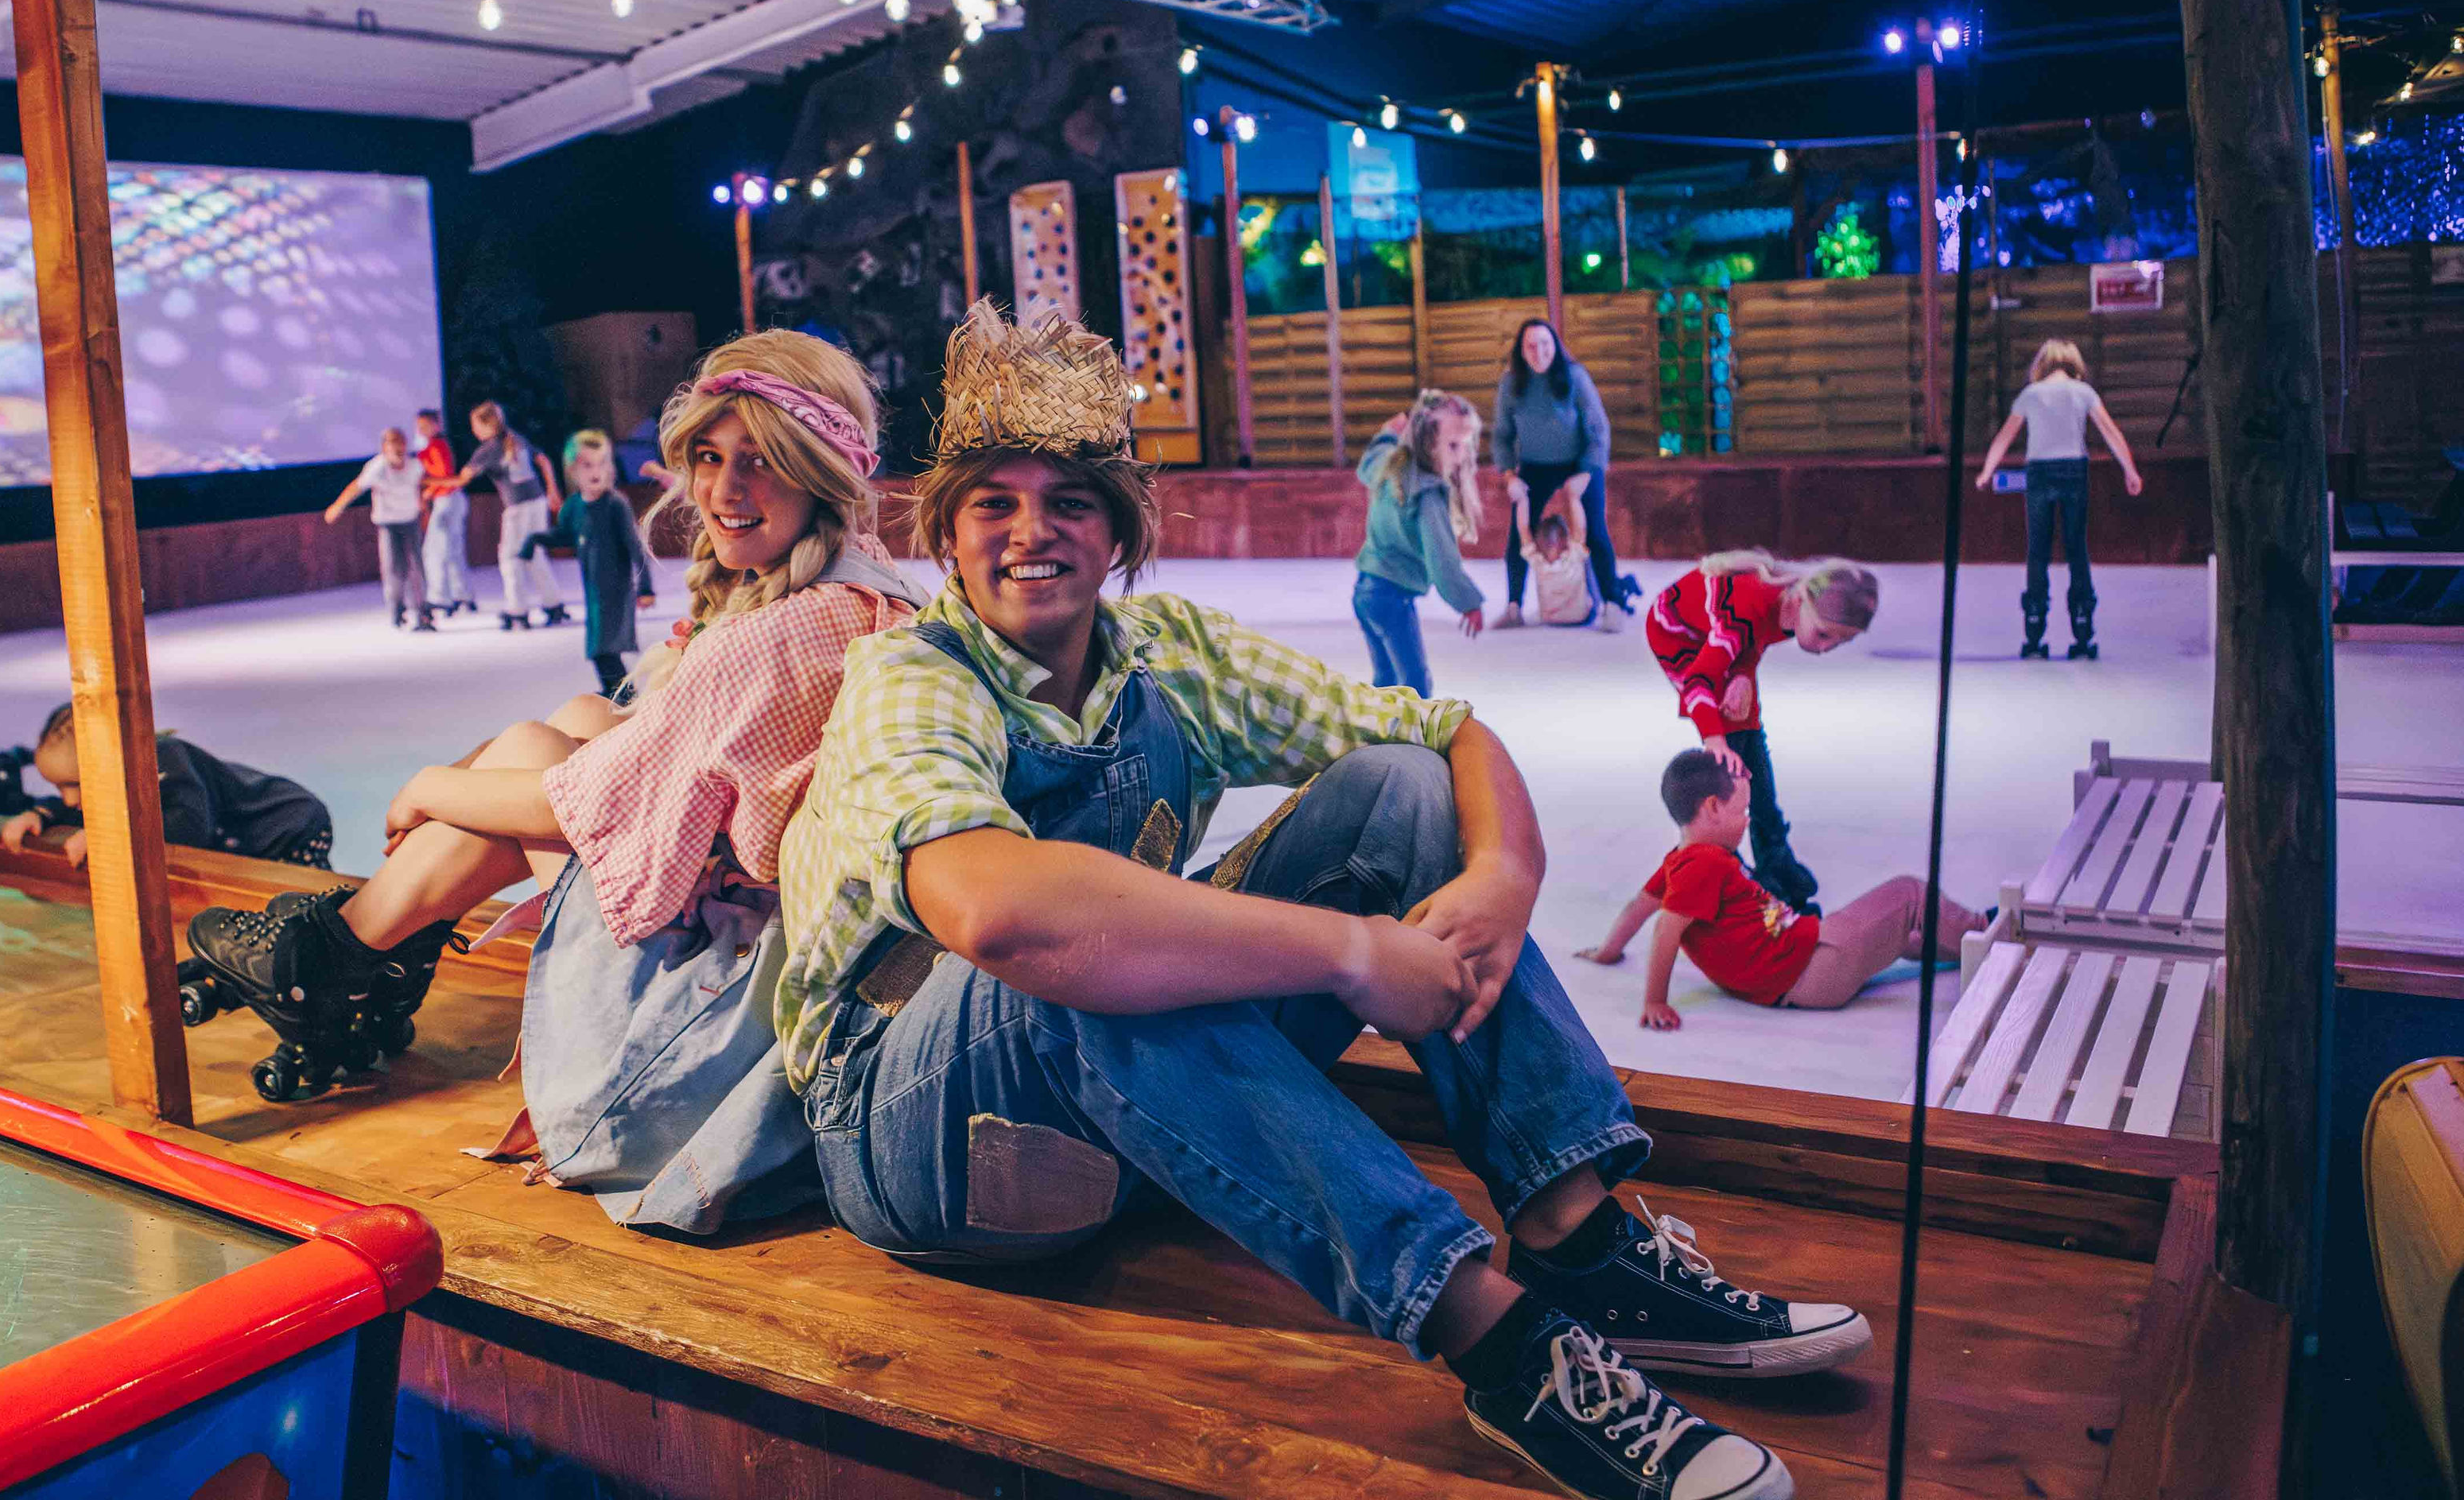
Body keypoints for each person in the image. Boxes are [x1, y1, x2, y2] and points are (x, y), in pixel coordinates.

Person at [779, 304, 1860, 1500]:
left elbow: (1445, 733)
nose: (1034, 531)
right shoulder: (910, 679)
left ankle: (1578, 1237)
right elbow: (999, 913)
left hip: (1115, 1106)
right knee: (1074, 954)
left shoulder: (1163, 653)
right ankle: (1503, 1344)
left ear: (1118, 526)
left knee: (1399, 790)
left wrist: (1503, 879)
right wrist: (1350, 951)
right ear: (946, 531)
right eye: (995, 503)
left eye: (1070, 501)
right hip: (925, 1145)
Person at [182, 332, 926, 1234]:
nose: (726, 489)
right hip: (771, 954)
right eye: (710, 456)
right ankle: (366, 951)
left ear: (820, 469)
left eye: (762, 460)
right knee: (579, 714)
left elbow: (567, 807)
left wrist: (427, 784)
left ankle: (333, 958)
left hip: (719, 1028)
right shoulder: (865, 587)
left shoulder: (776, 636)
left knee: (537, 752)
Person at [1577, 750, 1985, 1025]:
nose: (1748, 820)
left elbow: (1638, 908)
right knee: (1910, 895)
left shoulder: (1679, 862)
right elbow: (1665, 929)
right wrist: (1655, 1000)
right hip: (1811, 970)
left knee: (1912, 937)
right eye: (1743, 810)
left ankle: (1970, 946)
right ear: (1713, 808)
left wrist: (1609, 951)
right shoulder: (1702, 865)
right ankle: (1987, 932)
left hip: (1800, 967)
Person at [1643, 549, 1880, 918]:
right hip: (1678, 634)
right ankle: (1723, 865)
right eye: (1823, 635)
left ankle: (1773, 855)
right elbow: (1699, 680)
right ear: (1799, 602)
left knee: (1747, 726)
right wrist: (1715, 742)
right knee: (1731, 747)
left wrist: (1742, 672)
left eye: (1840, 642)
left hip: (1727, 634)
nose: (1825, 649)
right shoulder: (1746, 614)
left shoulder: (1788, 604)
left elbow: (1758, 633)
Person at [0, 703, 334, 869]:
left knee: (301, 911)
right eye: (59, 788)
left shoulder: (166, 760)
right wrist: (43, 814)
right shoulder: (113, 777)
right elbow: (90, 810)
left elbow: (190, 827)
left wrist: (111, 836)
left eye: (76, 785)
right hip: (236, 837)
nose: (69, 799)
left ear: (117, 758)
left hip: (285, 825)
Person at [1973, 339, 2144, 660]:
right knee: (2077, 548)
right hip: (2074, 471)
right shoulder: (2084, 393)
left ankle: (2034, 628)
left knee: (2037, 550)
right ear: (2074, 363)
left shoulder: (2031, 395)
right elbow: (2110, 432)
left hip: (2039, 472)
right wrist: (2130, 470)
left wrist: (1987, 471)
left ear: (2042, 364)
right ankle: (2082, 628)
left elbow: (2005, 436)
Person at [1492, 317, 1635, 633]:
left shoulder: (1575, 376)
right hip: (1534, 466)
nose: (1539, 352)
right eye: (1531, 346)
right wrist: (1509, 476)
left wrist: (1588, 471)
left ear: (1555, 346)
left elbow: (1598, 429)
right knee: (1518, 536)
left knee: (1595, 531)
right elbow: (1502, 436)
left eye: (1545, 344)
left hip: (1579, 463)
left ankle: (1612, 603)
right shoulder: (1510, 383)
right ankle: (1514, 607)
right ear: (1521, 351)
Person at [1350, 390, 1487, 696]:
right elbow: (1443, 562)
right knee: (1415, 682)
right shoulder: (1428, 496)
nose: (1461, 457)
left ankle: (1380, 723)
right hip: (1393, 599)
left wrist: (1388, 432)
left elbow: (1369, 461)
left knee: (1386, 678)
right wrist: (1468, 602)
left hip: (1365, 594)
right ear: (1427, 443)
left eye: (1465, 446)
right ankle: (1416, 727)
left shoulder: (1390, 465)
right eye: (1453, 446)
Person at [520, 429, 657, 697]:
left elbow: (635, 547)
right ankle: (616, 693)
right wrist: (535, 539)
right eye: (587, 465)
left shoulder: (615, 504)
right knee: (598, 649)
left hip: (617, 591)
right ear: (572, 470)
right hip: (594, 592)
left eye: (601, 463)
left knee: (604, 648)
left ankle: (623, 695)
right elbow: (565, 536)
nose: (596, 472)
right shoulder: (574, 506)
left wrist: (645, 588)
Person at [438, 400, 569, 632]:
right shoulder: (515, 437)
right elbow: (543, 459)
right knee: (535, 554)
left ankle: (517, 610)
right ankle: (553, 604)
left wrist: (427, 482)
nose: (473, 430)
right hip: (537, 501)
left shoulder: (488, 449)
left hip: (518, 507)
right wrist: (552, 490)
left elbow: (462, 479)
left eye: (475, 425)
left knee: (510, 557)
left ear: (487, 425)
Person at [326, 426, 433, 631]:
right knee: (394, 568)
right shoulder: (377, 467)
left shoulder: (414, 466)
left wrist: (425, 511)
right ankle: (397, 608)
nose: (398, 447)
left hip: (410, 520)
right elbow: (356, 487)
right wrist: (337, 506)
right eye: (393, 443)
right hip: (388, 523)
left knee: (416, 567)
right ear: (385, 447)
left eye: (401, 442)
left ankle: (422, 612)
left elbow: (421, 487)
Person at [415, 408, 476, 618]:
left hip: (448, 500)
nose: (421, 430)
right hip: (451, 499)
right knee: (452, 550)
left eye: (425, 426)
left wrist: (428, 490)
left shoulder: (436, 446)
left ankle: (440, 599)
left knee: (435, 551)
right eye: (419, 426)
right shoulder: (434, 446)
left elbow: (444, 475)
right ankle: (463, 595)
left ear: (437, 425)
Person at [1523, 510, 1596, 628]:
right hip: (1580, 617)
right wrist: (1575, 499)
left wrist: (1521, 502)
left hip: (1548, 618)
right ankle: (1616, 592)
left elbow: (1523, 530)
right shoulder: (1573, 556)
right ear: (1564, 539)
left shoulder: (1537, 560)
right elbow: (1580, 529)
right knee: (1588, 559)